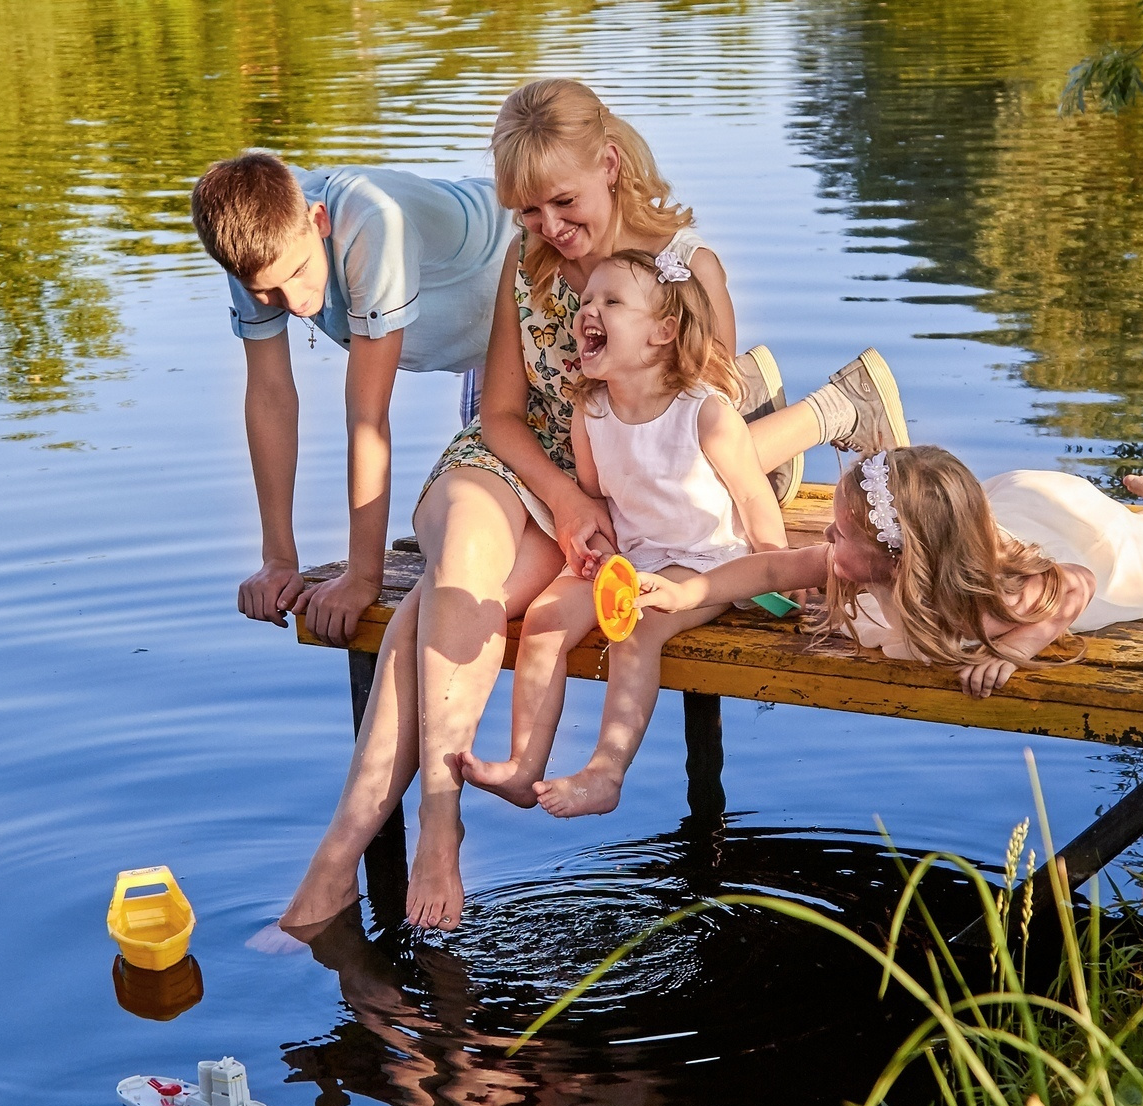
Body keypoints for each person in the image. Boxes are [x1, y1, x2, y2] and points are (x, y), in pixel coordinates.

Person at [279, 78, 908, 932]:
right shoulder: (526, 262)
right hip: (532, 460)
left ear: (609, 164)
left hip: (628, 485)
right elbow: (501, 415)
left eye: (562, 202)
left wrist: (741, 549)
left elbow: (699, 436)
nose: (547, 225)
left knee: (431, 608)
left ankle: (340, 863)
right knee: (458, 561)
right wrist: (567, 497)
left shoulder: (683, 272)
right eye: (527, 210)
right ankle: (435, 818)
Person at [460, 248, 785, 818]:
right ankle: (523, 765)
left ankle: (606, 772)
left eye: (611, 301)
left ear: (663, 332)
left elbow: (755, 496)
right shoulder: (591, 412)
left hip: (703, 561)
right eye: (587, 299)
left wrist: (776, 564)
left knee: (639, 629)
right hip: (633, 557)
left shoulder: (705, 413)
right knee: (543, 620)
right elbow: (600, 496)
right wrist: (597, 551)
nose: (589, 309)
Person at [191, 152, 509, 646]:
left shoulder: (371, 222)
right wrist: (278, 560)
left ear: (318, 221)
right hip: (480, 350)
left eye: (299, 272)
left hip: (535, 282)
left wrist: (363, 577)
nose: (295, 302)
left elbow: (368, 418)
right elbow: (271, 397)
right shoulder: (252, 244)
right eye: (268, 291)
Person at [635, 444, 1143, 697]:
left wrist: (1019, 647)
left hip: (1063, 525)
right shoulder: (871, 558)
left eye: (843, 532)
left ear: (897, 559)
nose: (826, 536)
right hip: (986, 512)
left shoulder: (997, 601)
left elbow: (1078, 582)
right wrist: (685, 595)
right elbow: (767, 573)